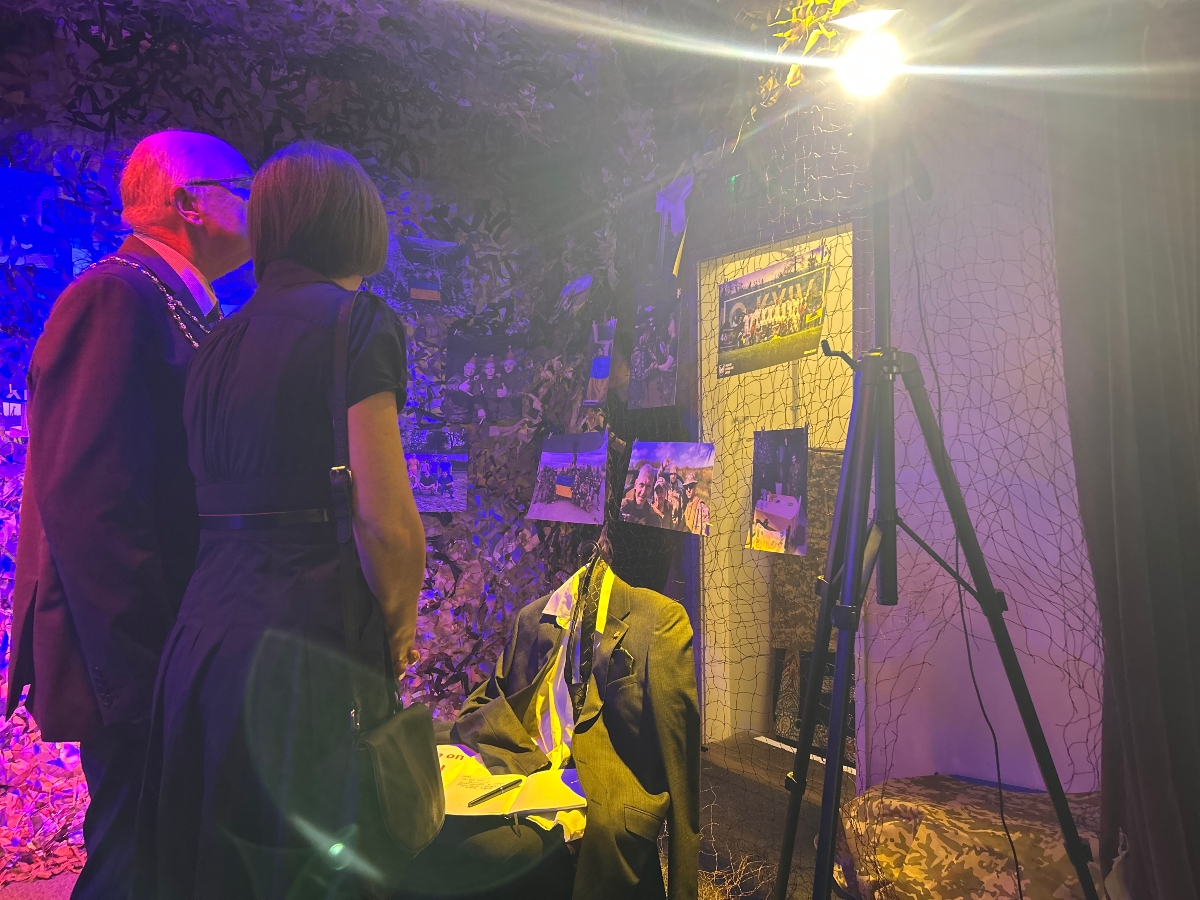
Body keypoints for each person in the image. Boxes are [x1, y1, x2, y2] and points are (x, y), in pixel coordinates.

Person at [131, 141, 426, 900]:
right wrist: (395, 631)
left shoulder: (217, 340)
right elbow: (385, 523)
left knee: (215, 870)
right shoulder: (357, 323)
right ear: (359, 224)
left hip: (200, 650)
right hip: (306, 650)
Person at [5, 130, 251, 900]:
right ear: (189, 203)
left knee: (162, 854)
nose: (258, 205)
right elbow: (90, 502)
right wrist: (144, 669)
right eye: (243, 188)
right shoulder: (116, 295)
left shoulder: (174, 301)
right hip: (138, 652)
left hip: (168, 643)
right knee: (133, 861)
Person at [620, 463, 662, 528]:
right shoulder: (622, 507)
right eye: (641, 485)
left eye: (648, 486)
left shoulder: (652, 515)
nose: (643, 492)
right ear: (635, 484)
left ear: (651, 488)